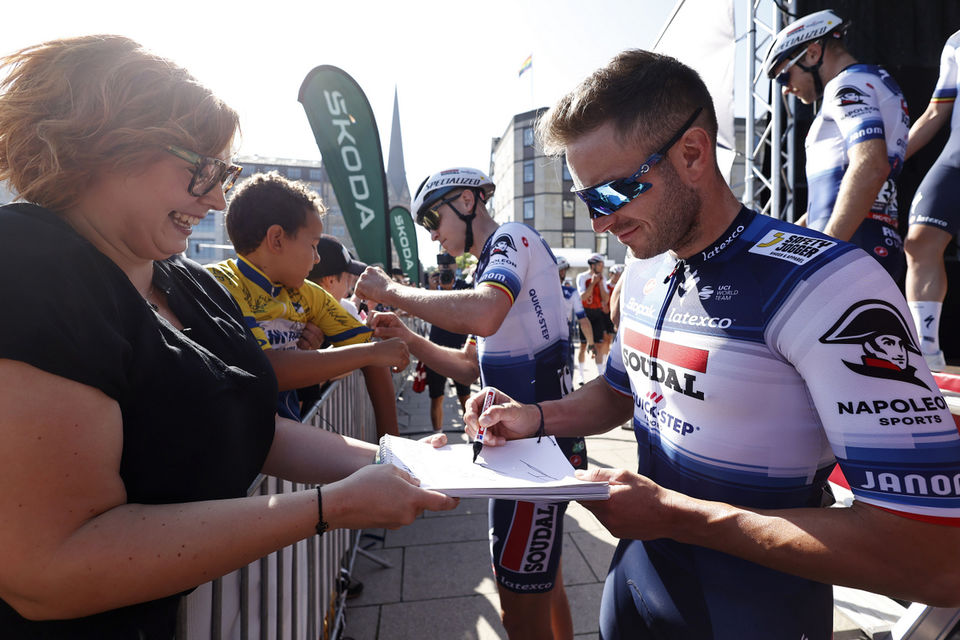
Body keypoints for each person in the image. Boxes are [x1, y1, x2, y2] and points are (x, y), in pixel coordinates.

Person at [463, 49, 960, 640]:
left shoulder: (828, 284)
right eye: (586, 201)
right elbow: (623, 392)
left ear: (693, 154)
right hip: (637, 581)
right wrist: (532, 417)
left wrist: (679, 517)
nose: (600, 223)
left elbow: (934, 559)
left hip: (755, 608)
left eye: (612, 195)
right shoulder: (647, 267)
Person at [0, 35, 457, 639]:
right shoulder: (29, 268)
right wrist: (331, 507)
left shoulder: (185, 282)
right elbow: (47, 569)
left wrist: (397, 461)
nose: (217, 198)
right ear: (106, 149)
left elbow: (250, 428)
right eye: (202, 170)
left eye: (223, 173)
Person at [356, 167, 585, 640]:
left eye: (432, 219)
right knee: (546, 584)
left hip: (534, 455)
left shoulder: (510, 239)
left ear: (466, 200)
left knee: (519, 612)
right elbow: (466, 365)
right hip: (531, 447)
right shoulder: (488, 267)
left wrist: (390, 291)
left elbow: (483, 313)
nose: (433, 234)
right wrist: (406, 336)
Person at [206, 172, 407, 433]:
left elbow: (376, 360)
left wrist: (390, 443)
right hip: (232, 448)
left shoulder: (308, 293)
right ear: (276, 239)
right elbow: (268, 370)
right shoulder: (219, 281)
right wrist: (370, 353)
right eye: (313, 246)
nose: (317, 259)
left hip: (287, 443)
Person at [764, 9, 910, 281]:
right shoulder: (873, 80)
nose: (785, 88)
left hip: (850, 252)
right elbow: (842, 187)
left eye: (785, 74)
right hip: (869, 244)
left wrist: (826, 253)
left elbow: (870, 165)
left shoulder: (847, 84)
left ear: (812, 53)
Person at [902, 29, 960, 372]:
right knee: (919, 241)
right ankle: (927, 352)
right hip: (955, 160)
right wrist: (887, 164)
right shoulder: (955, 41)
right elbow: (936, 113)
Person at [421, 253, 472, 431]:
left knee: (465, 395)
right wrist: (433, 292)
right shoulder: (433, 289)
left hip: (459, 349)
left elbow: (467, 312)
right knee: (436, 396)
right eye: (441, 269)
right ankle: (438, 434)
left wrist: (450, 291)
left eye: (447, 269)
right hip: (436, 347)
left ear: (455, 268)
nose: (445, 275)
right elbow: (426, 312)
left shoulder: (465, 288)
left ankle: (473, 435)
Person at [309, 234, 366, 322]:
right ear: (330, 281)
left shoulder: (348, 309)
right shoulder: (291, 319)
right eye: (347, 278)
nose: (350, 286)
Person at [557, 256, 594, 383]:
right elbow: (583, 320)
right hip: (563, 339)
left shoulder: (537, 290)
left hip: (540, 341)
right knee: (566, 380)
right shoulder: (571, 292)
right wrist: (591, 342)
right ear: (562, 272)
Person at [576, 253, 609, 384]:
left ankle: (600, 375)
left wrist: (600, 284)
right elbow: (582, 297)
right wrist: (593, 283)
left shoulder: (603, 278)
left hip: (598, 313)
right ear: (593, 265)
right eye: (600, 264)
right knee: (583, 345)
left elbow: (606, 299)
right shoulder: (582, 277)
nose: (602, 267)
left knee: (599, 345)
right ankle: (581, 375)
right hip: (586, 314)